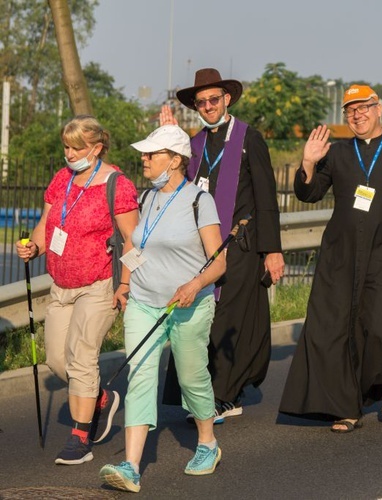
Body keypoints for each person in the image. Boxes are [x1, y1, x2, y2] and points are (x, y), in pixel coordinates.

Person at [278, 84, 382, 432]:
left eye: (364, 107)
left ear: (379, 109)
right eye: (350, 110)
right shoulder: (337, 153)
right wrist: (308, 162)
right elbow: (310, 193)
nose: (357, 115)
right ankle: (345, 407)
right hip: (341, 256)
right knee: (337, 330)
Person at [99, 125, 226, 493]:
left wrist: (194, 285)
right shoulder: (146, 198)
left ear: (174, 160)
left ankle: (207, 442)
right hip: (143, 301)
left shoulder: (200, 201)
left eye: (151, 154)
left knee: (191, 378)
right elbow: (135, 246)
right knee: (138, 374)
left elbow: (219, 262)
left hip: (187, 304)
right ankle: (131, 466)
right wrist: (124, 284)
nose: (144, 159)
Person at [160, 68, 284, 422]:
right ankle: (201, 390)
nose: (208, 106)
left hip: (241, 244)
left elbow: (266, 198)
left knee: (228, 319)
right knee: (201, 319)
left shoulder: (249, 138)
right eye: (201, 102)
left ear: (227, 99)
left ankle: (224, 396)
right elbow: (172, 183)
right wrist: (171, 138)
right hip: (202, 247)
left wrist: (272, 250)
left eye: (214, 99)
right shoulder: (194, 144)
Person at [15, 115, 138, 464]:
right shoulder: (61, 179)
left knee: (82, 356)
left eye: (76, 147)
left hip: (98, 284)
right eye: (66, 147)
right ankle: (101, 397)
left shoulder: (118, 184)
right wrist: (34, 247)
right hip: (61, 284)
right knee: (57, 358)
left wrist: (125, 283)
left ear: (96, 148)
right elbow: (46, 224)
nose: (69, 153)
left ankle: (79, 436)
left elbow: (132, 240)